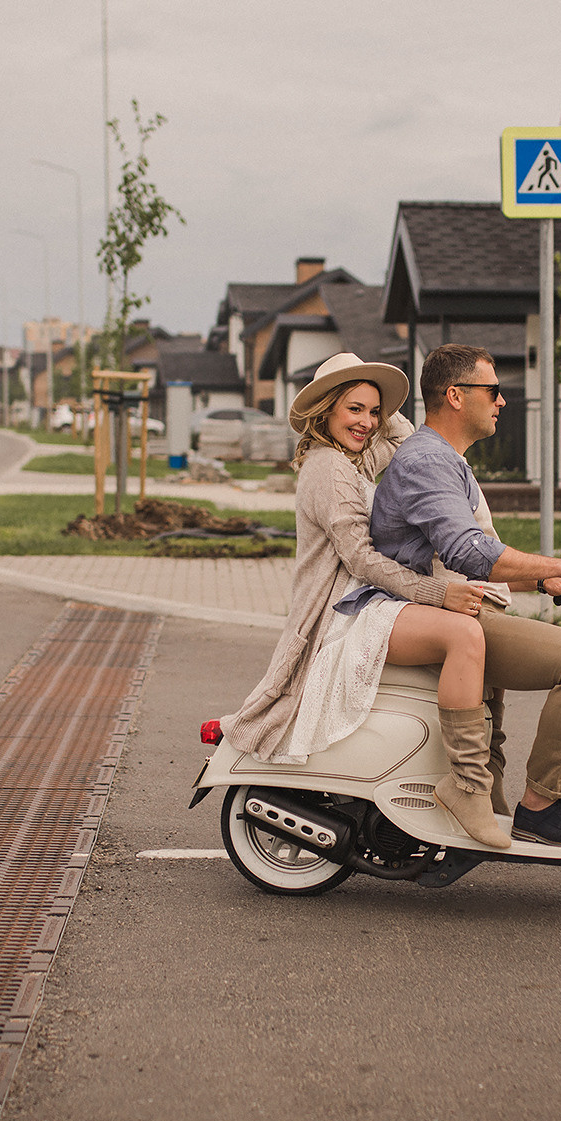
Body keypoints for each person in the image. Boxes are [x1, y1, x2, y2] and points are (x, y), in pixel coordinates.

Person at [219, 353, 511, 847]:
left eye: (374, 411)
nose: (368, 422)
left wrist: (376, 398)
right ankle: (469, 787)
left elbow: (406, 440)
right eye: (354, 409)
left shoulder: (351, 459)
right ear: (326, 409)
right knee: (463, 633)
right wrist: (438, 592)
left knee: (484, 638)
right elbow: (360, 559)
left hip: (368, 599)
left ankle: (488, 784)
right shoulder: (329, 468)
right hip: (341, 611)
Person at [370, 343, 561, 848]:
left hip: (454, 606)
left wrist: (542, 580)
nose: (502, 400)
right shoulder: (427, 461)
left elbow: (468, 555)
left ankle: (494, 809)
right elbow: (467, 552)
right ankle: (544, 806)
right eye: (494, 390)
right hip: (431, 613)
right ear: (456, 395)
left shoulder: (444, 459)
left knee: (493, 729)